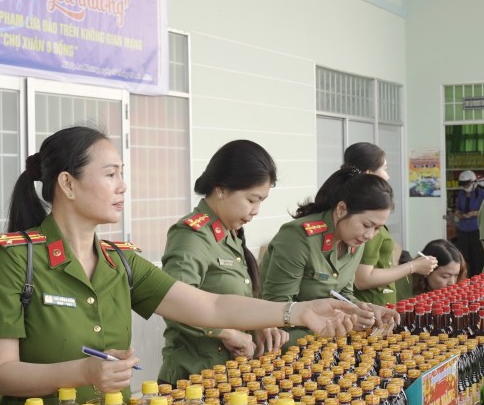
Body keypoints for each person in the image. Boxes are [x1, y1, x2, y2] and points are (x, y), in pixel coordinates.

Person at [0, 127, 359, 405]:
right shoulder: (15, 259)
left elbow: (209, 306)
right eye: (110, 175)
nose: (122, 186)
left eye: (121, 174)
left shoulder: (119, 261)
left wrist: (297, 312)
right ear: (68, 184)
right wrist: (83, 371)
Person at [157, 140, 288, 384]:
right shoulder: (192, 235)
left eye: (261, 201)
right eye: (251, 200)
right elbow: (172, 303)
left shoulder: (231, 235)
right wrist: (226, 334)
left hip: (228, 376)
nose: (256, 210)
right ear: (221, 190)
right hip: (194, 380)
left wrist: (258, 323)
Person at [260, 166, 401, 345]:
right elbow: (277, 307)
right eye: (366, 225)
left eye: (377, 229)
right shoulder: (299, 237)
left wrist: (365, 310)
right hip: (288, 342)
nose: (369, 235)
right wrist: (339, 319)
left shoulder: (354, 240)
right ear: (341, 209)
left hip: (327, 340)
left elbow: (343, 293)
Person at [345, 143, 436, 306]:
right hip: (370, 308)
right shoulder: (366, 221)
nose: (388, 176)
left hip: (379, 306)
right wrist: (413, 266)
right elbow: (362, 279)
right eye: (385, 169)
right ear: (368, 174)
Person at [452, 169, 484, 274]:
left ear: (473, 182)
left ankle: (478, 279)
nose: (465, 187)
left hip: (476, 230)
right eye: (464, 185)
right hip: (463, 230)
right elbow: (457, 208)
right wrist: (458, 214)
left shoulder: (482, 193)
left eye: (467, 185)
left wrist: (474, 213)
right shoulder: (461, 194)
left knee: (478, 257)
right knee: (463, 256)